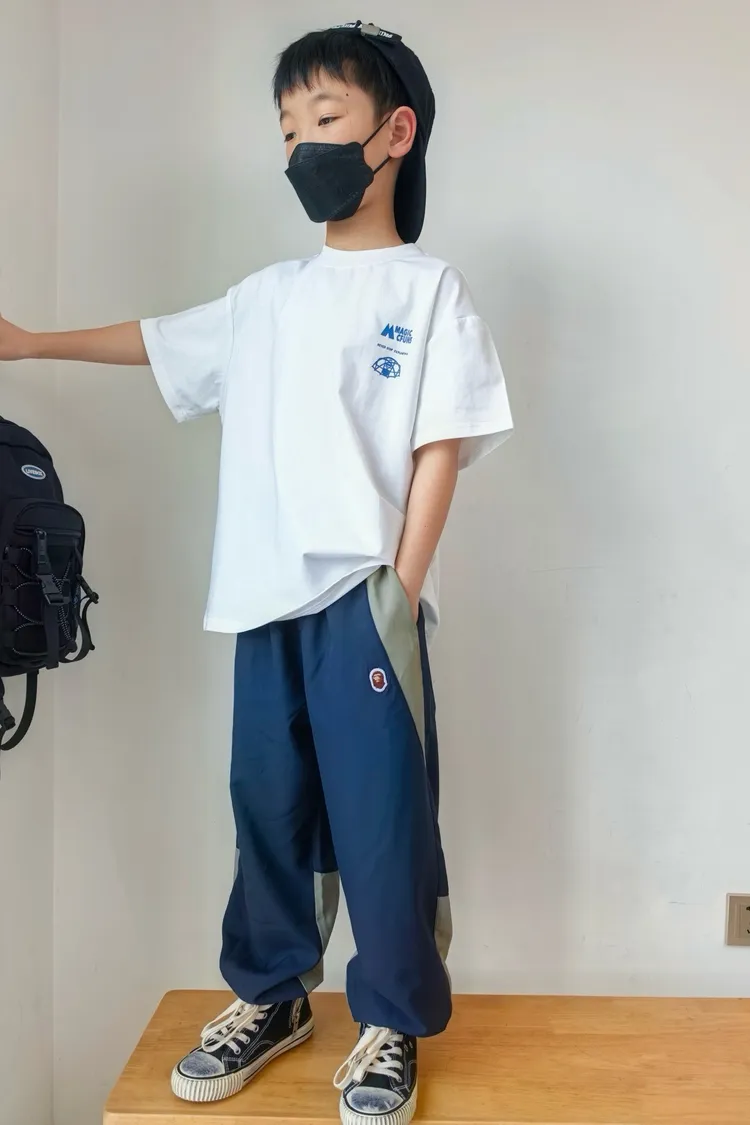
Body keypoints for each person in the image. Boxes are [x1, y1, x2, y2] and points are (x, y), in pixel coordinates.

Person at [0, 20, 512, 1125]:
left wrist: (400, 586)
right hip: (260, 597)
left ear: (395, 133)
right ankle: (273, 996)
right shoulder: (268, 296)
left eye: (324, 118)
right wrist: (29, 341)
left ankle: (390, 1019)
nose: (300, 146)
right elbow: (158, 339)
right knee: (267, 805)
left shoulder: (429, 291)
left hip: (362, 598)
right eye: (285, 129)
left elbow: (442, 442)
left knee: (381, 816)